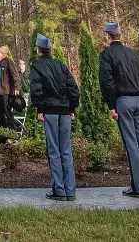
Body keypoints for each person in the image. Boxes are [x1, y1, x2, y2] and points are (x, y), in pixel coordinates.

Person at [98, 22, 139, 199]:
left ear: (107, 36)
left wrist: (111, 105)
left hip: (123, 101)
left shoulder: (107, 54)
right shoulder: (134, 55)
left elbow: (106, 82)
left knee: (131, 144)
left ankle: (138, 187)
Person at [30, 34, 80, 201]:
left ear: (39, 49)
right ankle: (70, 190)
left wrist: (40, 109)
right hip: (64, 112)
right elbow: (73, 88)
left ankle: (58, 189)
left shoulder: (37, 66)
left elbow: (37, 89)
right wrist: (72, 107)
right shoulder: (60, 65)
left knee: (53, 150)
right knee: (66, 150)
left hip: (50, 112)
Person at [0, 45, 20, 131]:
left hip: (6, 91)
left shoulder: (9, 62)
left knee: (7, 111)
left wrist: (16, 88)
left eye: (0, 51)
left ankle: (12, 130)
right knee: (0, 112)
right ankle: (2, 130)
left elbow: (15, 75)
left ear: (4, 53)